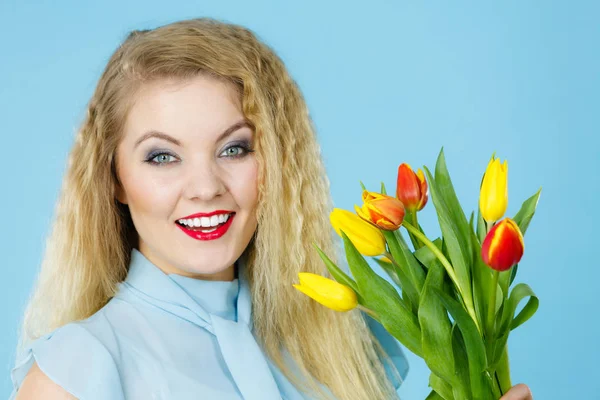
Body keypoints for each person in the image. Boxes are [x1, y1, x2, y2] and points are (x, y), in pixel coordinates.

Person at [9, 17, 532, 400]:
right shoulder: (78, 370)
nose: (205, 187)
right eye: (162, 156)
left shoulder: (337, 341)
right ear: (114, 179)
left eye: (234, 148)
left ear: (277, 162)